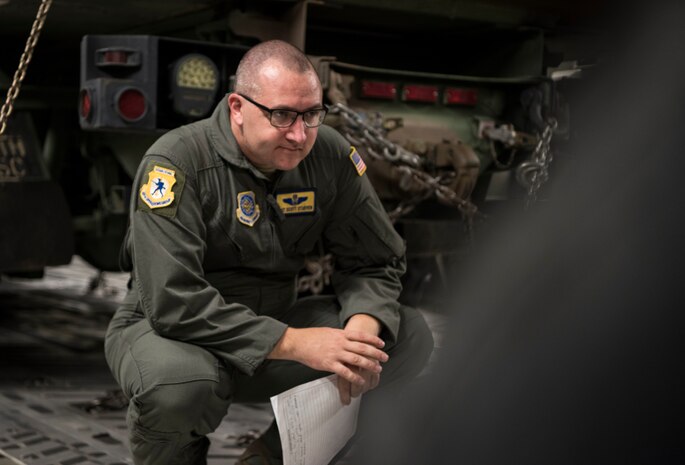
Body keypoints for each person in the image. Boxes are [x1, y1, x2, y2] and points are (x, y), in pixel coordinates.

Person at [104, 39, 434, 465]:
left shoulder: (328, 155)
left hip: (273, 324)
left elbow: (374, 259)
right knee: (178, 388)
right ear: (238, 107)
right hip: (174, 332)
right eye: (281, 116)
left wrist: (362, 330)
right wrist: (294, 342)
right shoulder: (177, 161)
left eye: (311, 115)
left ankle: (271, 458)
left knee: (401, 336)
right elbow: (173, 301)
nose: (299, 135)